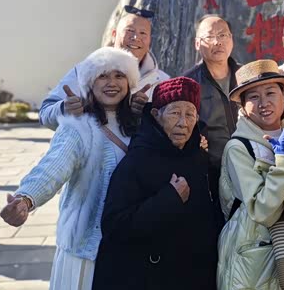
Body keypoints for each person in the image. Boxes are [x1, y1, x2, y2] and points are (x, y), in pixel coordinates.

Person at [0, 47, 140, 290]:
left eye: (119, 75)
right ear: (89, 83)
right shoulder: (78, 127)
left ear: (129, 82)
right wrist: (26, 199)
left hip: (130, 242)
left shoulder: (140, 124)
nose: (112, 83)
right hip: (87, 245)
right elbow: (53, 167)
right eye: (102, 76)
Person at [93, 77, 219, 290]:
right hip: (147, 278)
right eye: (174, 113)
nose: (183, 123)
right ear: (155, 114)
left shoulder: (200, 157)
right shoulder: (137, 160)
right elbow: (114, 226)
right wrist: (169, 199)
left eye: (190, 114)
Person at [217, 59, 284, 290]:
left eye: (271, 93)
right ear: (243, 106)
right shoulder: (238, 147)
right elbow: (262, 211)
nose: (264, 103)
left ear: (283, 96)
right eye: (253, 97)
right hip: (251, 256)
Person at [39, 6, 169, 130]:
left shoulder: (162, 81)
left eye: (143, 33)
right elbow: (45, 113)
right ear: (114, 34)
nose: (136, 38)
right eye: (129, 31)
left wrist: (145, 113)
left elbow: (170, 126)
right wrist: (63, 109)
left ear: (150, 40)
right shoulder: (87, 70)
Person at [184, 15, 241, 172]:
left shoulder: (246, 77)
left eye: (222, 35)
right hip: (210, 171)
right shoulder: (188, 84)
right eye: (210, 37)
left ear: (231, 39)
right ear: (197, 43)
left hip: (250, 167)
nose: (217, 42)